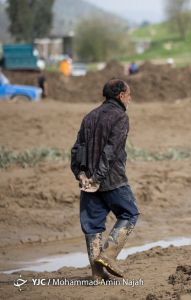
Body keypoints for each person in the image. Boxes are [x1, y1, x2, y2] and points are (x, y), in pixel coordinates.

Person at [70, 79, 139, 280]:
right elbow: (111, 151)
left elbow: (76, 149)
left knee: (92, 225)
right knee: (129, 213)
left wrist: (81, 175)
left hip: (88, 180)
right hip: (111, 179)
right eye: (129, 94)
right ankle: (108, 256)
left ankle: (97, 275)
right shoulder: (120, 117)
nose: (130, 98)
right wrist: (98, 178)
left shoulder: (89, 116)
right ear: (120, 96)